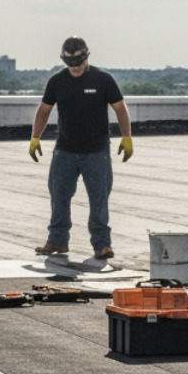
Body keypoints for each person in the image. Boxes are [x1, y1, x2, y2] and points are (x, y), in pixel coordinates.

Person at [28, 36, 133, 259]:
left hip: (96, 152)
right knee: (59, 196)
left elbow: (120, 109)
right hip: (65, 151)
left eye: (77, 64)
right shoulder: (57, 81)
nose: (74, 69)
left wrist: (127, 137)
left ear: (86, 58)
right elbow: (44, 110)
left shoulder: (103, 80)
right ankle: (57, 240)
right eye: (69, 64)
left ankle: (102, 245)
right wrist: (35, 138)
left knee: (99, 199)